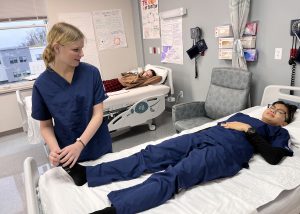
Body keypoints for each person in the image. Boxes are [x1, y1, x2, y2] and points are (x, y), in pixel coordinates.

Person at [65, 101, 297, 214]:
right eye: (271, 106)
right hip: (202, 135)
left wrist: (247, 129)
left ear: (284, 121)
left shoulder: (279, 132)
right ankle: (88, 173)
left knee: (175, 175)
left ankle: (117, 209)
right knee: (150, 154)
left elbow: (274, 157)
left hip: (225, 153)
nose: (272, 110)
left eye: (279, 112)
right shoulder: (245, 113)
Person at [31, 22, 112, 168]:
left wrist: (80, 144)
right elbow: (46, 126)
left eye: (81, 48)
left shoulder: (91, 73)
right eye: (76, 49)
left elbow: (98, 114)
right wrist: (55, 149)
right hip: (67, 153)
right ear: (57, 48)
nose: (82, 54)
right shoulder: (41, 85)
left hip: (98, 146)